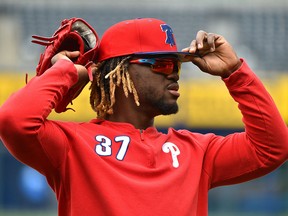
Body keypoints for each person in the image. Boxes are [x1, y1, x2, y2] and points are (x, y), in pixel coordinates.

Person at [0, 17, 287, 216]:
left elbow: (272, 148)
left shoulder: (196, 153)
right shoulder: (72, 146)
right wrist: (64, 72)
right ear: (120, 70)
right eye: (161, 64)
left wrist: (234, 72)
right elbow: (13, 121)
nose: (174, 73)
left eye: (177, 65)